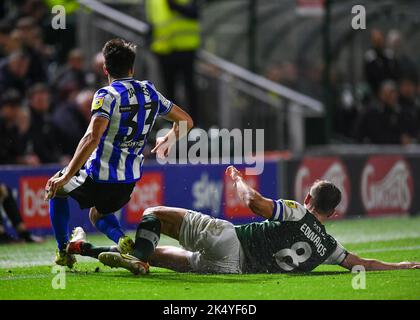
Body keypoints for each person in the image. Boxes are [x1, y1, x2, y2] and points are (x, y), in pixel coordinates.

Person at [66, 166, 420, 275]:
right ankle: (81, 247)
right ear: (335, 214)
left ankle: (138, 259)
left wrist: (236, 179)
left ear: (309, 199)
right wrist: (403, 266)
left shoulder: (297, 211)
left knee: (152, 215)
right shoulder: (329, 247)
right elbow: (364, 264)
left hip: (230, 240)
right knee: (163, 256)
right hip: (233, 270)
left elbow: (254, 204)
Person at [44, 38, 194, 268]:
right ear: (132, 67)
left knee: (56, 188)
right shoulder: (149, 91)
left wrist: (65, 176)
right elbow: (186, 121)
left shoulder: (107, 95)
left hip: (98, 176)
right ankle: (122, 239)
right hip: (127, 184)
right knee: (98, 215)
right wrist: (169, 138)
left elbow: (92, 137)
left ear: (105, 68)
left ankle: (63, 251)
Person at [145, 0, 200, 123]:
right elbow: (152, 23)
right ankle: (173, 122)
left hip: (185, 48)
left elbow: (195, 14)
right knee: (168, 89)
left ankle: (193, 122)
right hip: (164, 50)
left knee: (189, 87)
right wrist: (149, 41)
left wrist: (175, 6)